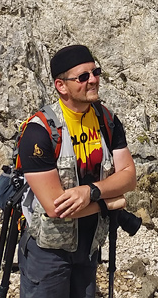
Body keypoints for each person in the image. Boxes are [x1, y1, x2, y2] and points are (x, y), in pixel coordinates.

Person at [16, 44, 137, 297]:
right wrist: (109, 204)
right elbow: (55, 208)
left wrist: (91, 192)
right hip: (48, 254)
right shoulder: (39, 132)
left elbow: (128, 174)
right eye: (83, 77)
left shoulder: (107, 120)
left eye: (95, 72)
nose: (93, 80)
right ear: (62, 86)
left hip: (90, 248)